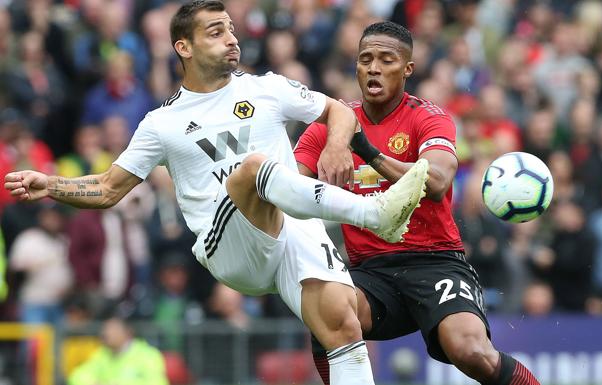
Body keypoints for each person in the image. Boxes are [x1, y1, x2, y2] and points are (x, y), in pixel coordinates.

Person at [4, 2, 429, 384]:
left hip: (290, 228)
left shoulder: (267, 88)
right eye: (215, 32)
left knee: (342, 323)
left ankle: (373, 216)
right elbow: (109, 188)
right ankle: (375, 212)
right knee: (256, 169)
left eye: (230, 29)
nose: (231, 39)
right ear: (183, 47)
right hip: (229, 247)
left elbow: (337, 109)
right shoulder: (162, 122)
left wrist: (337, 145)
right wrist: (51, 185)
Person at [294, 21, 541, 385]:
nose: (373, 67)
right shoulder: (329, 127)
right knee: (324, 313)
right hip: (370, 272)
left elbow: (438, 182)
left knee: (472, 353)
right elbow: (287, 185)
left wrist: (364, 148)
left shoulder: (428, 117)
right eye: (365, 59)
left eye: (386, 59)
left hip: (435, 262)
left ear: (407, 69)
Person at [67, 316, 169, 385]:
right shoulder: (102, 354)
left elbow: (157, 382)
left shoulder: (148, 355)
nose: (106, 334)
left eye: (112, 329)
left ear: (127, 332)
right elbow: (76, 377)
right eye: (105, 330)